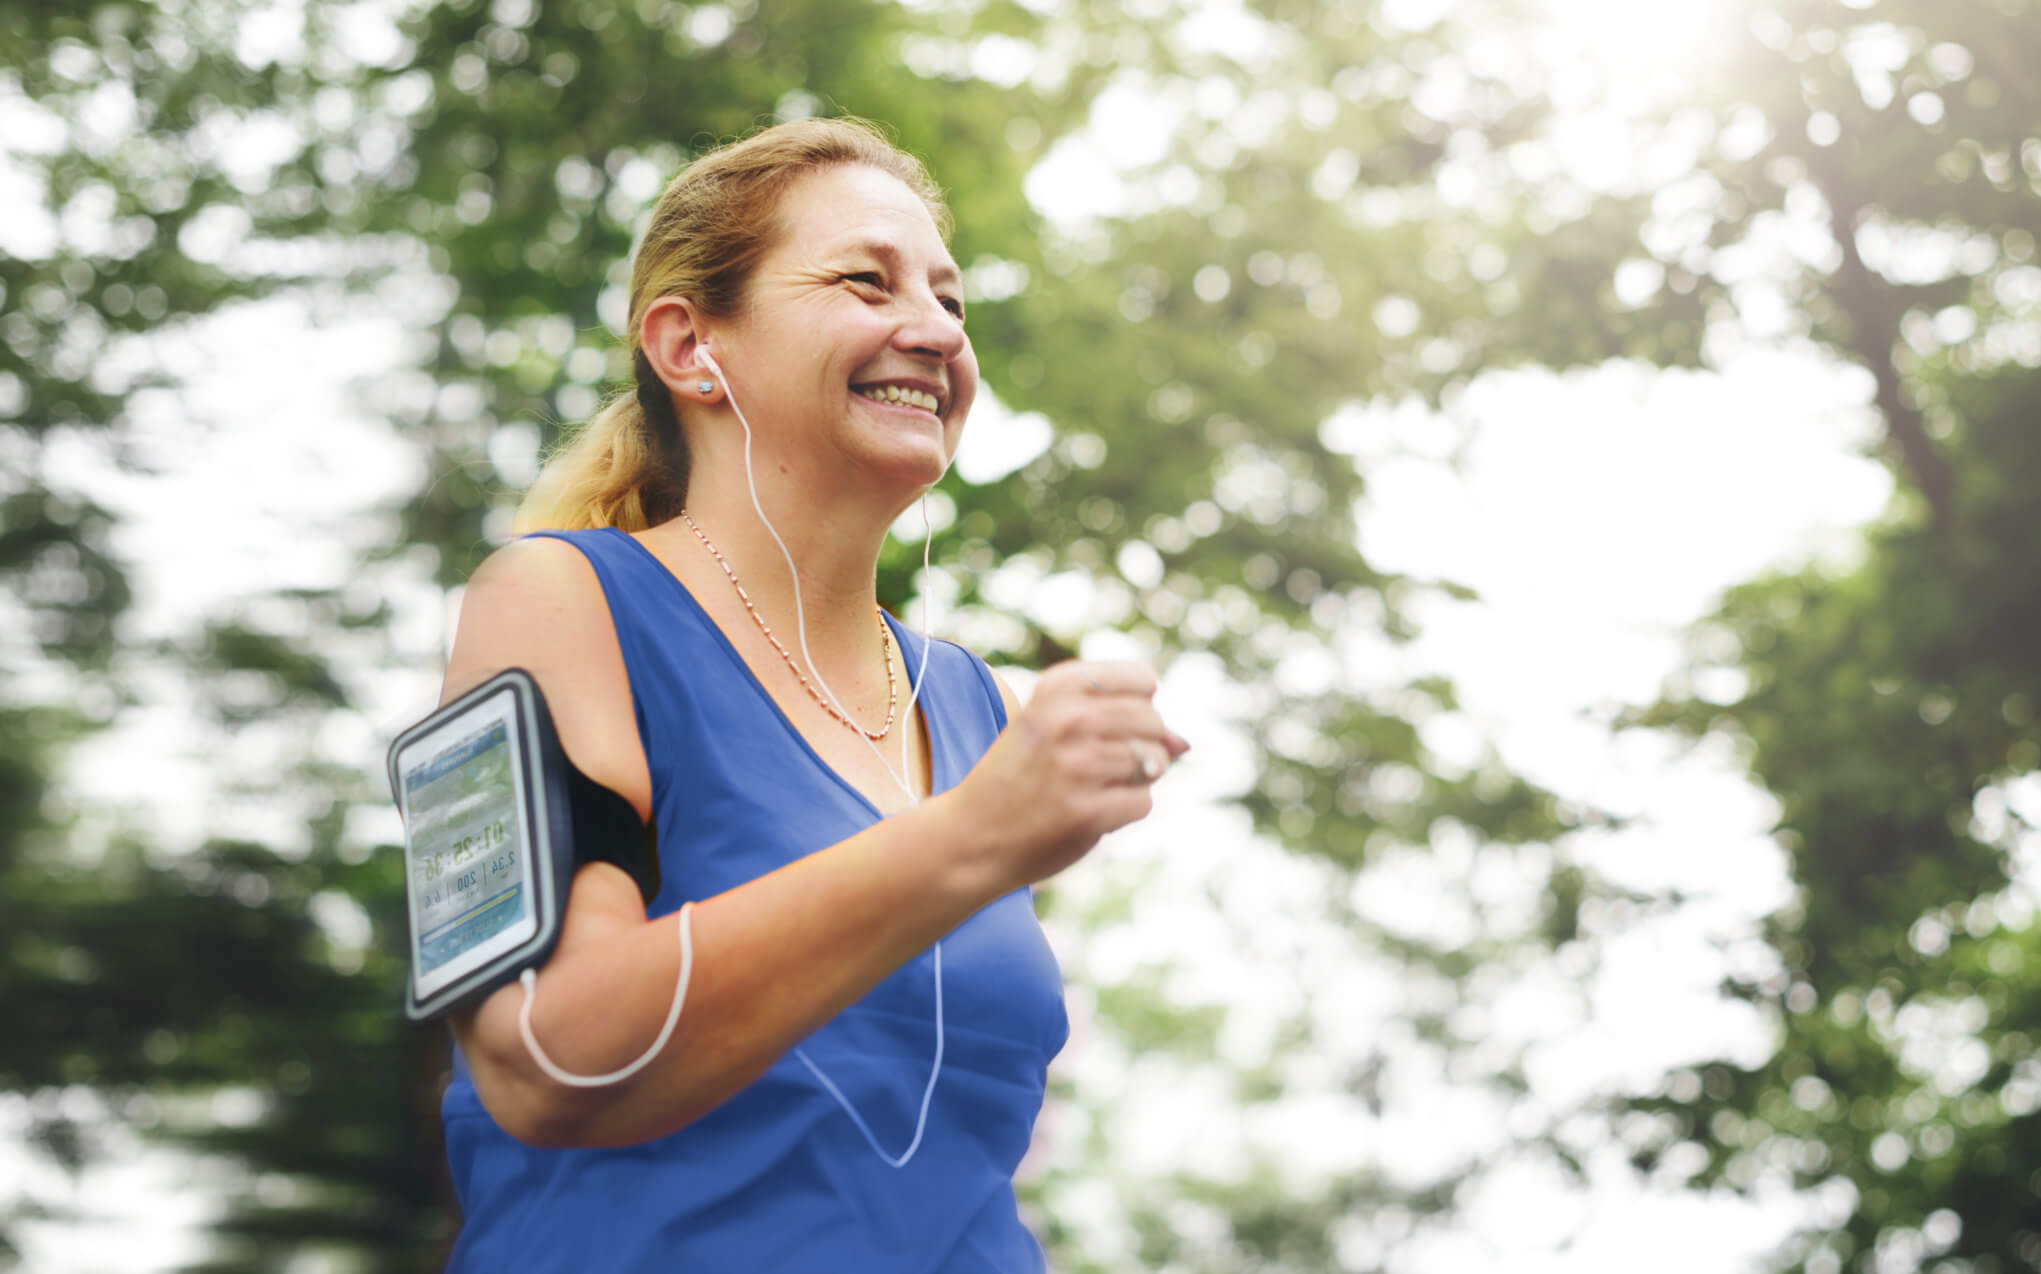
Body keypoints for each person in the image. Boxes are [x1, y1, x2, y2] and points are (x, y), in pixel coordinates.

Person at [431, 116, 1188, 1272]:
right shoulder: (547, 602)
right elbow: (546, 1059)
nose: (934, 330)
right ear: (691, 348)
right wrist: (974, 836)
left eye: (952, 300)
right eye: (863, 281)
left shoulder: (975, 705)